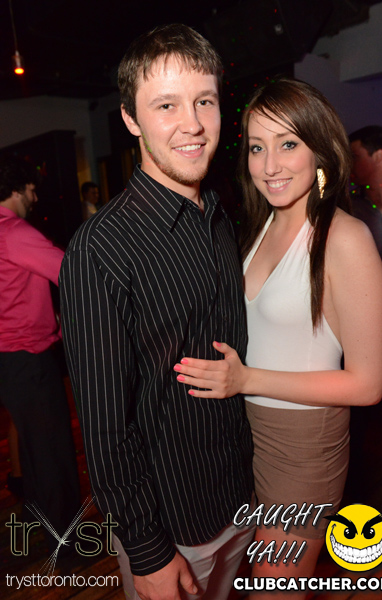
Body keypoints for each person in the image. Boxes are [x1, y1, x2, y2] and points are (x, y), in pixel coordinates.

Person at [59, 24, 254, 600]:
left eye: (204, 101)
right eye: (166, 105)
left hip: (244, 499)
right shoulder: (100, 250)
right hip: (175, 528)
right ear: (130, 119)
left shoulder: (219, 216)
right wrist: (146, 548)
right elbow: (105, 426)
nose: (192, 123)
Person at [174, 79, 382, 598]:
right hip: (247, 434)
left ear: (320, 148)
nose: (269, 165)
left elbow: (367, 385)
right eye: (256, 147)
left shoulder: (344, 238)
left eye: (288, 144)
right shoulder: (261, 226)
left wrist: (245, 379)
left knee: (274, 589)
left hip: (303, 446)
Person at [0, 155, 81, 554]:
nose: (34, 199)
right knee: (53, 452)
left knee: (35, 450)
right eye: (31, 190)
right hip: (29, 357)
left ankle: (41, 521)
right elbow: (72, 271)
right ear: (17, 189)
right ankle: (66, 542)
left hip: (9, 357)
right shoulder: (14, 231)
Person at [349, 126, 382, 472]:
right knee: (361, 415)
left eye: (356, 156)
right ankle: (359, 479)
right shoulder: (350, 209)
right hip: (363, 329)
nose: (351, 165)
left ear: (379, 155)